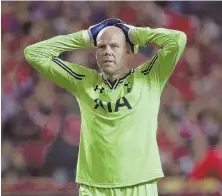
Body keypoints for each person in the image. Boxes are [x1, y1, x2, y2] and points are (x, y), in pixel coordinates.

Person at [24, 18, 187, 196]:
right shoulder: (84, 82)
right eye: (101, 47)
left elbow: (177, 40)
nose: (107, 51)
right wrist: (86, 37)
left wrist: (133, 33)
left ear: (127, 50)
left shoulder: (149, 78)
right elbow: (34, 53)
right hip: (94, 187)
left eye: (114, 46)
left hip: (139, 185)